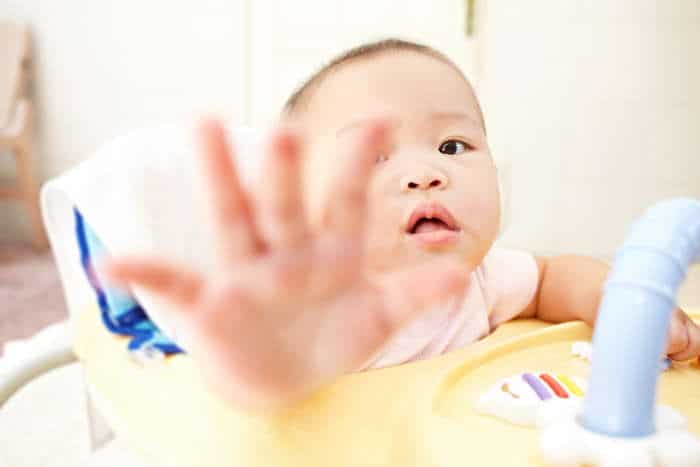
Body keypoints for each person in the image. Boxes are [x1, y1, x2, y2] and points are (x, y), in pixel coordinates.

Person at [104, 39, 700, 410]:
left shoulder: (478, 281)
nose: (425, 174)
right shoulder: (319, 306)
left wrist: (620, 305)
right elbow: (260, 382)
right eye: (373, 157)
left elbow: (549, 276)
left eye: (452, 144)